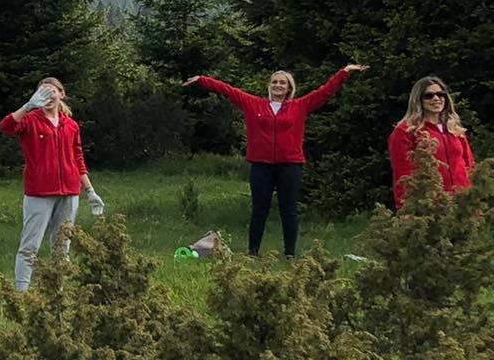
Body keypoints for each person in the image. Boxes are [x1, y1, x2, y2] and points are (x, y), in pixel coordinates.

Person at [184, 62, 365, 256]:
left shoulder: (300, 106)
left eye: (282, 83)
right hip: (261, 165)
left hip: (290, 165)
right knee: (259, 210)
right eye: (274, 82)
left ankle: (290, 253)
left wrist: (344, 72)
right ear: (270, 85)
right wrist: (203, 80)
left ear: (289, 88)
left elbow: (325, 92)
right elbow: (228, 90)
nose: (278, 85)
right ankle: (252, 253)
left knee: (289, 210)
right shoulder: (254, 104)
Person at [0, 77, 97, 291]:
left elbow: (78, 158)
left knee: (62, 246)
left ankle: (58, 292)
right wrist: (27, 107)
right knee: (30, 246)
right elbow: (6, 127)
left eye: (51, 91)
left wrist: (89, 190)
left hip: (70, 192)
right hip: (39, 193)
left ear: (61, 94)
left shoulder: (70, 125)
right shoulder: (30, 120)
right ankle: (21, 294)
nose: (48, 96)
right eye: (42, 92)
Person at [388, 75, 476, 206]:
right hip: (430, 204)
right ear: (418, 100)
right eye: (429, 95)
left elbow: (469, 165)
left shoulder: (455, 130)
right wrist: (405, 206)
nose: (436, 99)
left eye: (440, 94)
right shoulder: (406, 132)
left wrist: (474, 196)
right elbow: (403, 174)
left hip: (463, 203)